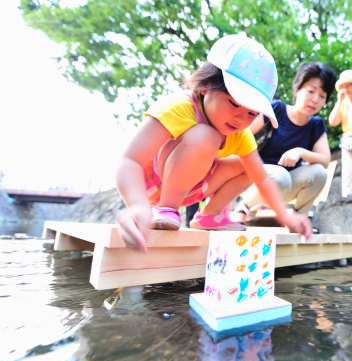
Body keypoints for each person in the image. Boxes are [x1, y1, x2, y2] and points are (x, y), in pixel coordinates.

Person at [115, 34, 312, 252]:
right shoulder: (179, 107)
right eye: (233, 103)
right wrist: (139, 206)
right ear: (206, 85)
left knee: (250, 166)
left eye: (251, 113)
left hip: (192, 186)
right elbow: (129, 160)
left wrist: (286, 217)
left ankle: (210, 215)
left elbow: (261, 178)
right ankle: (166, 208)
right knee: (206, 136)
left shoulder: (240, 132)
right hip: (153, 182)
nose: (240, 119)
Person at [232, 62, 336, 222]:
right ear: (297, 90)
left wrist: (300, 152)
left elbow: (325, 160)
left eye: (322, 96)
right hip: (254, 180)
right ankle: (244, 206)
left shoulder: (316, 124)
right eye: (311, 91)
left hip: (286, 186)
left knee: (319, 173)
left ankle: (299, 219)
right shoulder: (276, 109)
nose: (315, 100)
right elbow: (243, 135)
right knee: (280, 176)